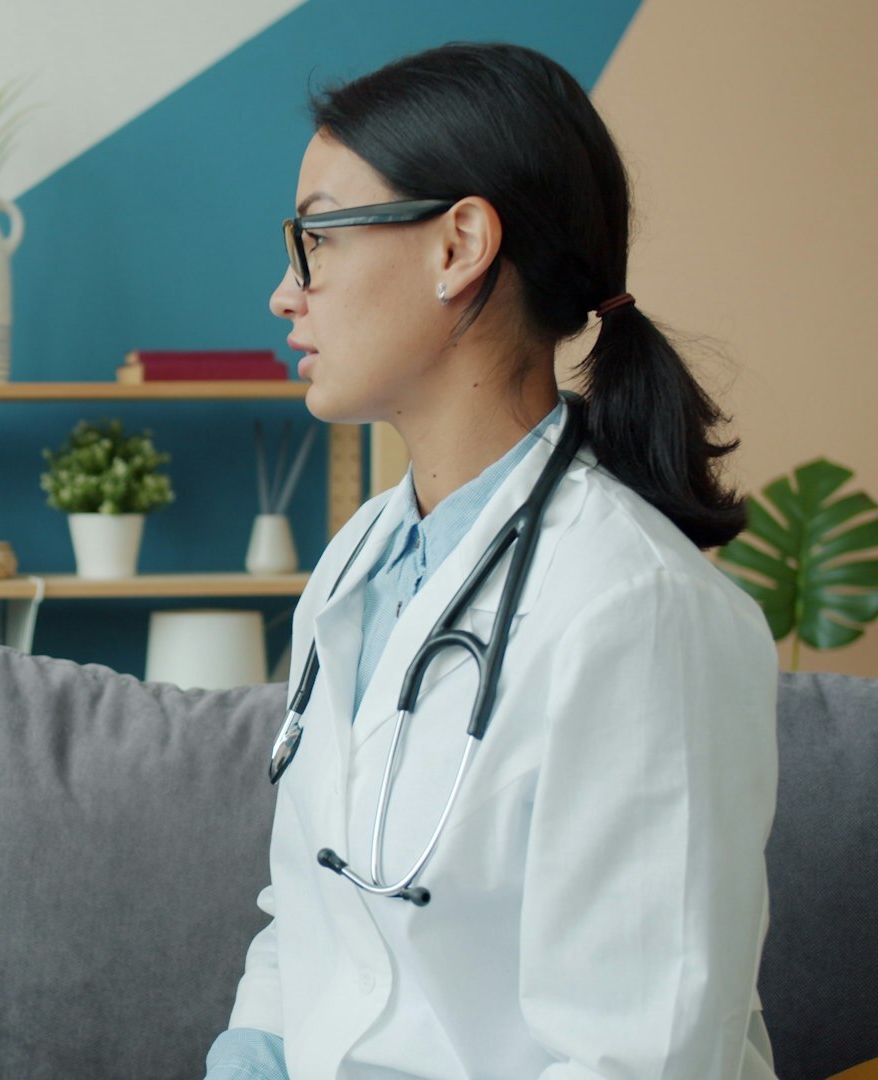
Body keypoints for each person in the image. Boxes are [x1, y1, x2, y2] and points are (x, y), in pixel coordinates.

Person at [204, 43, 778, 1078]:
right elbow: (312, 916)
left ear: (459, 245)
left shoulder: (639, 611)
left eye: (314, 239)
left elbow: (636, 1057)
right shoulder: (357, 565)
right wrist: (249, 1056)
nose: (286, 294)